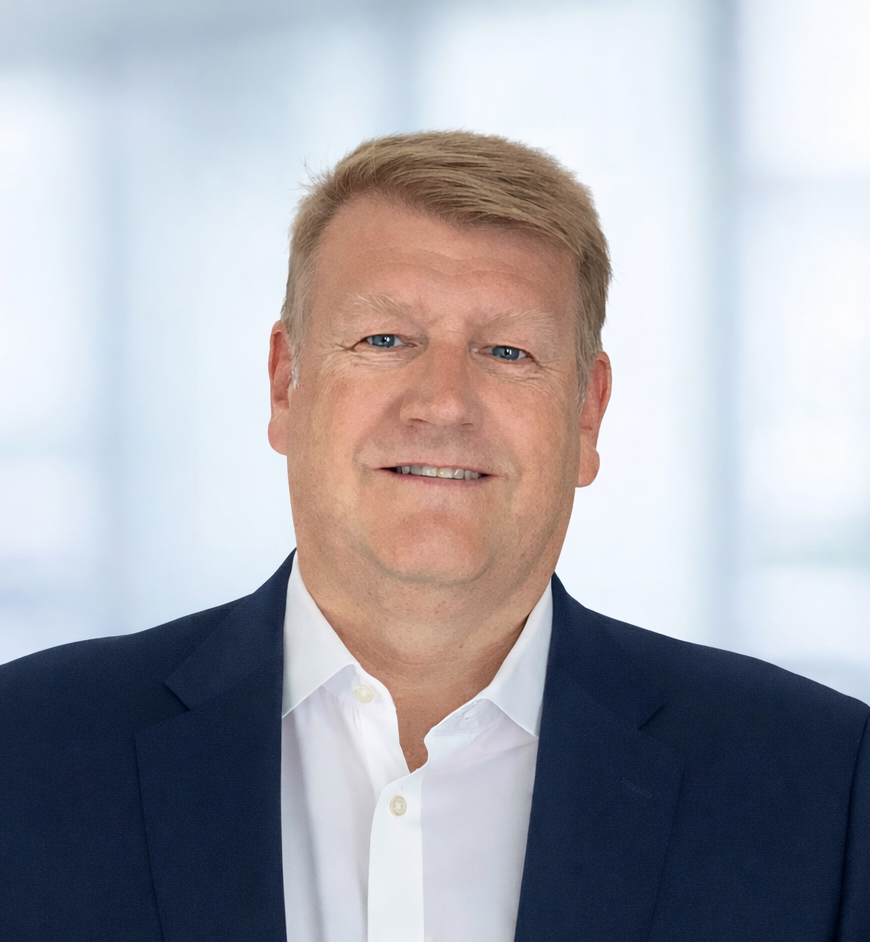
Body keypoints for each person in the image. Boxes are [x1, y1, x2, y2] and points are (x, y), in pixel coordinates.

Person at [0, 131, 867, 942]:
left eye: (508, 352)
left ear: (588, 414)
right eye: (384, 339)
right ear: (285, 385)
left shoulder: (821, 787)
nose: (444, 403)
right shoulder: (26, 751)